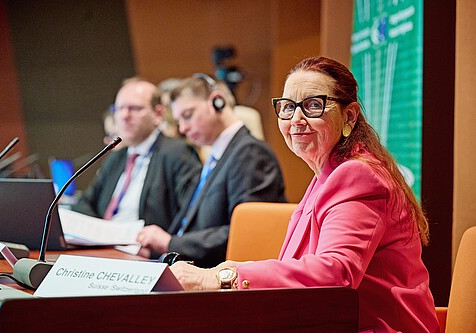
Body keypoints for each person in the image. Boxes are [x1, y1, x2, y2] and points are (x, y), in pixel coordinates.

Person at [169, 57, 439, 333]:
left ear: (349, 116)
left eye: (313, 105)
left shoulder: (358, 175)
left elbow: (336, 272)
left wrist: (221, 277)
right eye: (287, 107)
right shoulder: (329, 172)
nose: (296, 119)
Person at [136, 74, 286, 267]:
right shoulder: (216, 156)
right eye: (179, 120)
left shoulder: (250, 153)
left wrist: (170, 243)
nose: (183, 128)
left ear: (217, 101)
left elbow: (245, 233)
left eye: (188, 115)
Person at [72, 78, 201, 234]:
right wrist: (98, 232)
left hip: (143, 250)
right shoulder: (117, 156)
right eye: (119, 109)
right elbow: (84, 203)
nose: (125, 116)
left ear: (158, 114)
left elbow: (190, 217)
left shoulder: (177, 153)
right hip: (104, 246)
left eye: (135, 108)